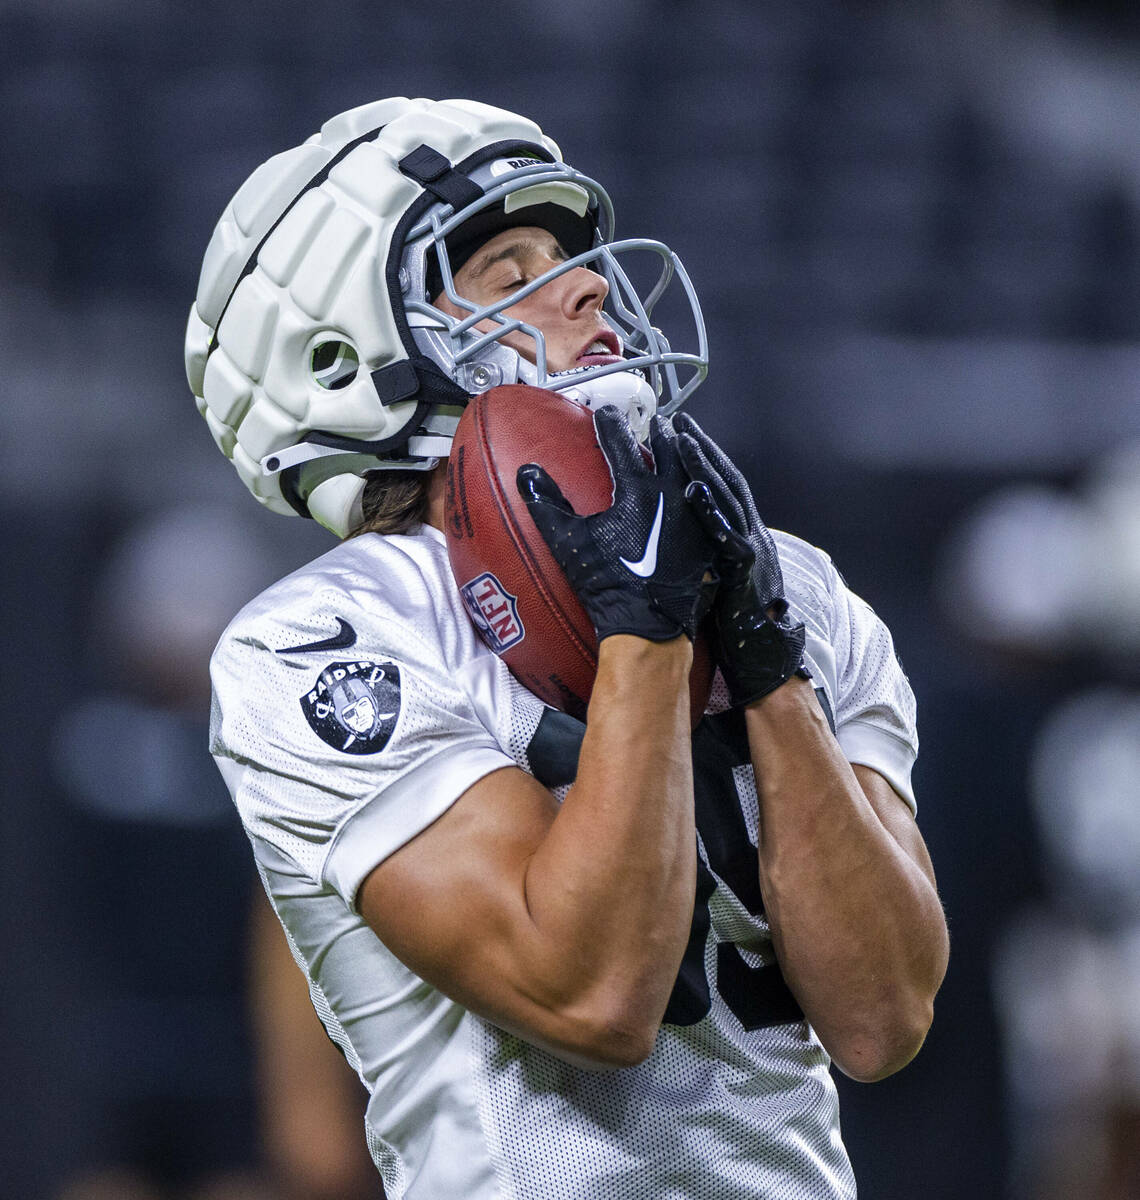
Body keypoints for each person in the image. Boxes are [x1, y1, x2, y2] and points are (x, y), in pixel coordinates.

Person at [187, 97, 949, 1199]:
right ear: (347, 358)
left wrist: (768, 664)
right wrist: (645, 638)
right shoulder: (323, 639)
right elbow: (590, 995)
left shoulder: (800, 591)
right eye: (511, 270)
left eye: (569, 257)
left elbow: (883, 1018)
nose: (590, 286)